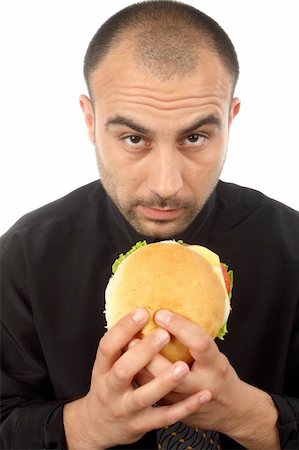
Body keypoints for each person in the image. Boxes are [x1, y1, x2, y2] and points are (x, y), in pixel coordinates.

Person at [1, 1, 298, 449]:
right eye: (134, 138)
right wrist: (83, 427)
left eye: (195, 137)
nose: (166, 185)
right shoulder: (24, 258)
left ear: (230, 120)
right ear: (90, 120)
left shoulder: (293, 249)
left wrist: (255, 419)